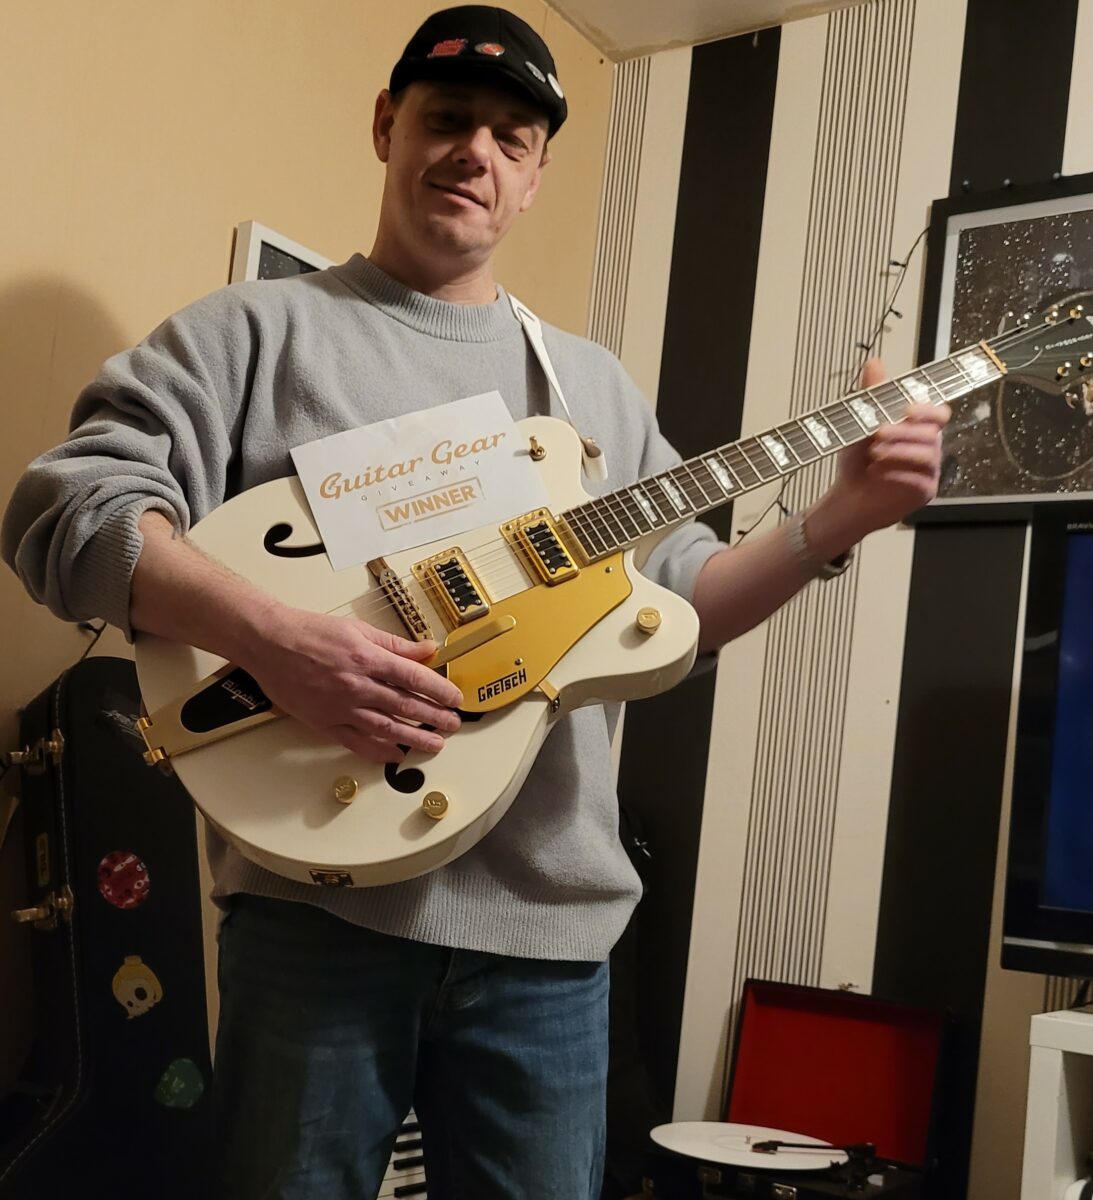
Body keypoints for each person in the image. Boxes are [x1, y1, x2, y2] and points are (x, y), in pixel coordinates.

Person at [1, 6, 948, 1197]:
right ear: (386, 125)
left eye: (512, 138)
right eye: (447, 119)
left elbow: (679, 604)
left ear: (536, 176)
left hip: (549, 943)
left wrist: (839, 515)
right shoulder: (251, 333)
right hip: (315, 920)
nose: (475, 154)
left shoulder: (590, 389)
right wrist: (277, 641)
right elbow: (69, 508)